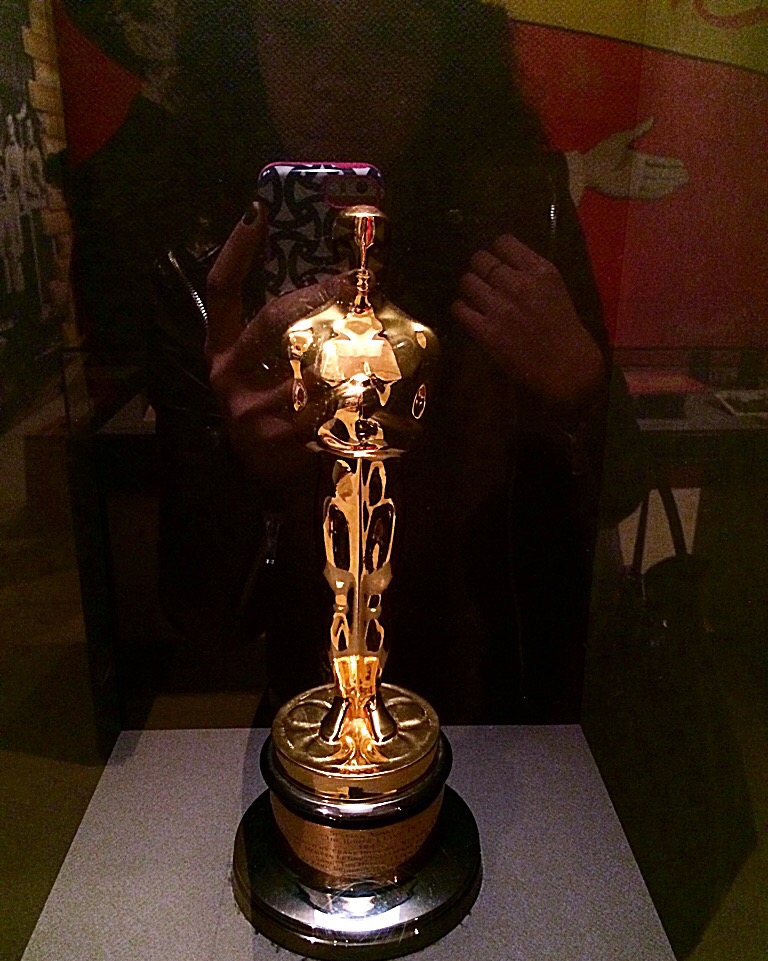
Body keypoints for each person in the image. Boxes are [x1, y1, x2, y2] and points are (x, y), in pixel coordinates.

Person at [68, 0, 646, 723]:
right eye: (298, 28)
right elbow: (204, 611)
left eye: (387, 33)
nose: (336, 78)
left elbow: (621, 494)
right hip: (320, 702)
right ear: (247, 42)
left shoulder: (523, 212)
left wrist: (583, 390)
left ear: (445, 51)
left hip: (511, 689)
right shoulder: (208, 270)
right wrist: (248, 472)